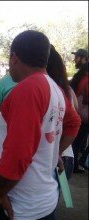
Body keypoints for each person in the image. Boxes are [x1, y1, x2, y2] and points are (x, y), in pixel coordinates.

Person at [0, 30, 80, 220]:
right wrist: (52, 152)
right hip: (43, 200)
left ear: (14, 58)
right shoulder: (53, 87)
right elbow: (73, 123)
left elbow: (18, 155)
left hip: (19, 209)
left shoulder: (27, 89)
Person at [46, 45, 79, 179]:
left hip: (54, 158)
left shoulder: (50, 90)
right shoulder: (68, 90)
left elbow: (75, 121)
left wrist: (55, 153)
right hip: (66, 156)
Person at [70, 48, 89, 173]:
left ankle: (77, 162)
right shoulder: (81, 76)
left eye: (77, 57)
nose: (75, 59)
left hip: (79, 113)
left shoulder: (82, 75)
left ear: (84, 59)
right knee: (77, 141)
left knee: (77, 141)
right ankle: (76, 164)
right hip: (82, 115)